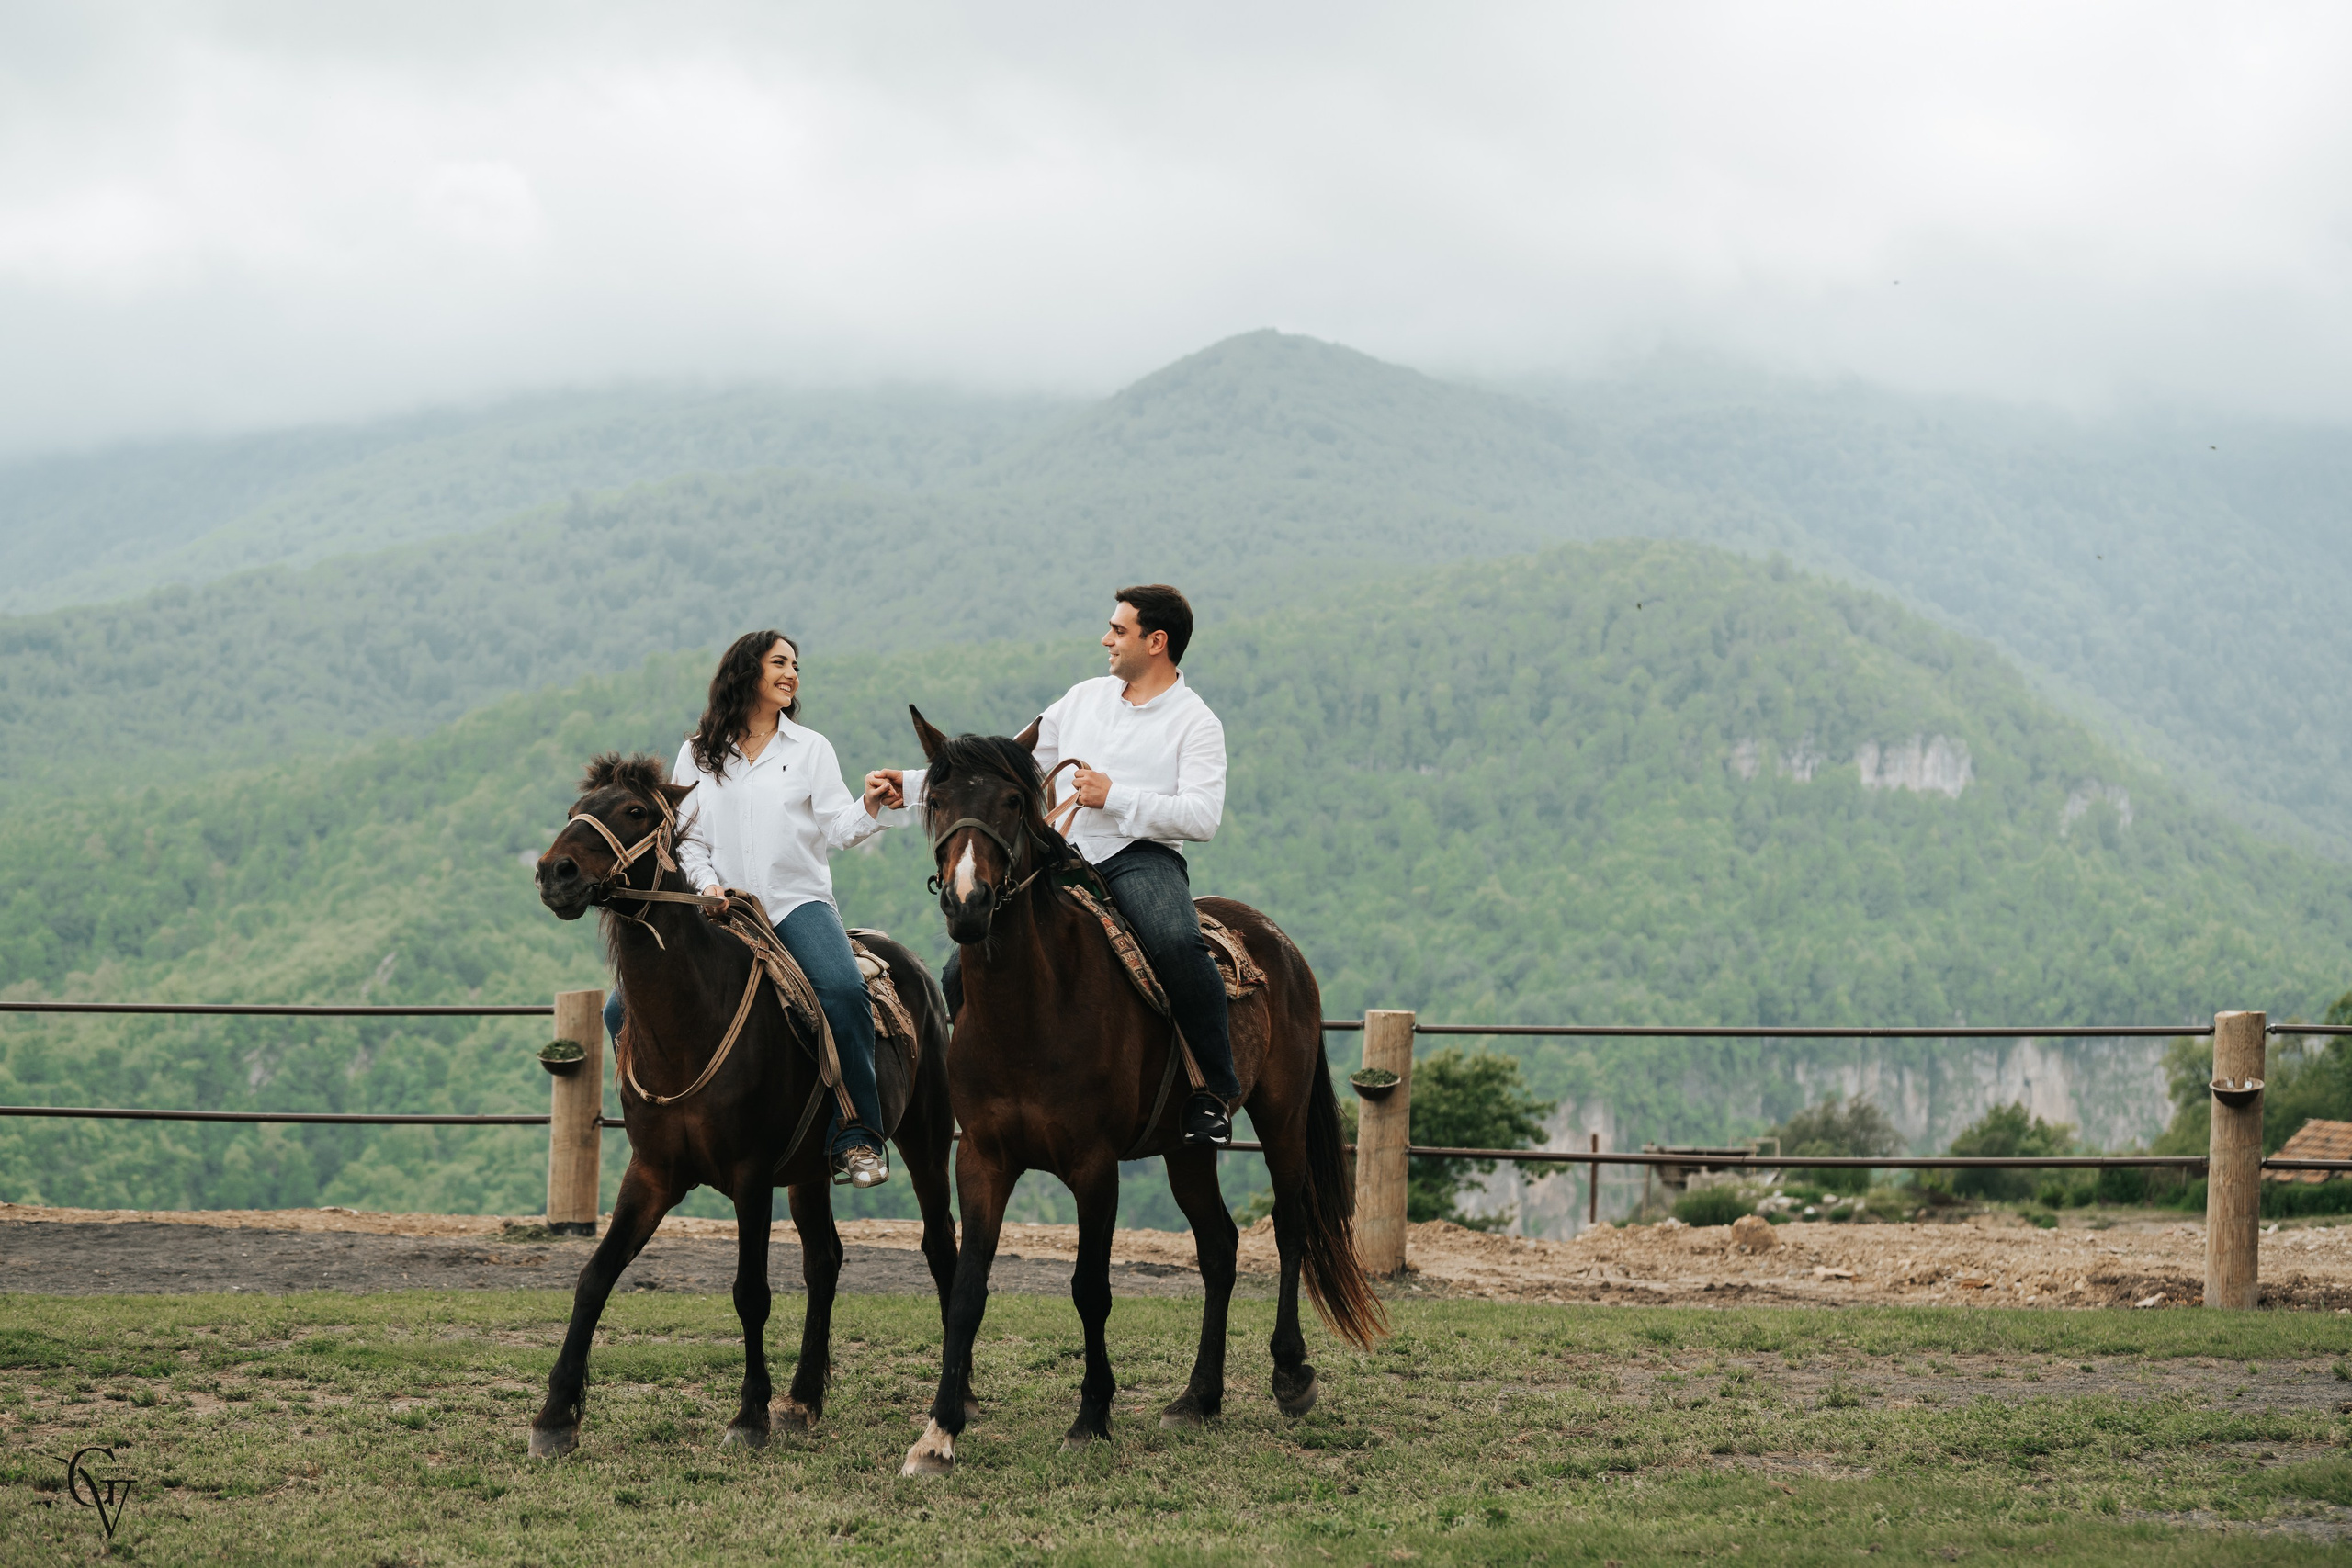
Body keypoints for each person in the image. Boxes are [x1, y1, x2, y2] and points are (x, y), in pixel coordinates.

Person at [885, 584, 1240, 1146]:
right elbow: (1001, 771)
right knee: (958, 971)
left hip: (1141, 858)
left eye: (1118, 630)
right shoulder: (1082, 698)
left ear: (1156, 641)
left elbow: (1201, 818)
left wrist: (1115, 797)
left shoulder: (1196, 722)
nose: (1106, 639)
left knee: (1177, 945)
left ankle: (1214, 1092)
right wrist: (909, 787)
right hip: (1063, 858)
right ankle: (987, 1083)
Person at [602, 629, 910, 1188]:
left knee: (843, 992)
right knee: (617, 1011)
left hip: (796, 904)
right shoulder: (697, 754)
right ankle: (658, 1127)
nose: (792, 674)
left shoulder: (811, 748)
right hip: (719, 911)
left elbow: (838, 829)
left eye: (796, 666)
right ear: (747, 672)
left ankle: (858, 1135)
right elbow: (688, 838)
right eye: (780, 663)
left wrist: (868, 804)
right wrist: (708, 886)